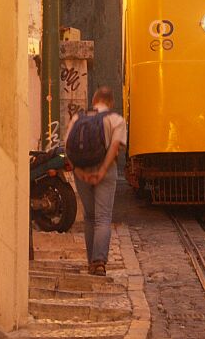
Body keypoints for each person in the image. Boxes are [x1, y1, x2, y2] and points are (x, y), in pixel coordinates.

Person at [65, 86, 126, 276]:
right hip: (106, 172)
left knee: (90, 217)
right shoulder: (116, 120)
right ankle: (99, 262)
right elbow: (115, 147)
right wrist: (101, 171)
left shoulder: (77, 118)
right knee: (103, 217)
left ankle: (91, 260)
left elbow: (67, 147)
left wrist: (79, 172)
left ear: (94, 101)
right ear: (111, 103)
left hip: (81, 172)